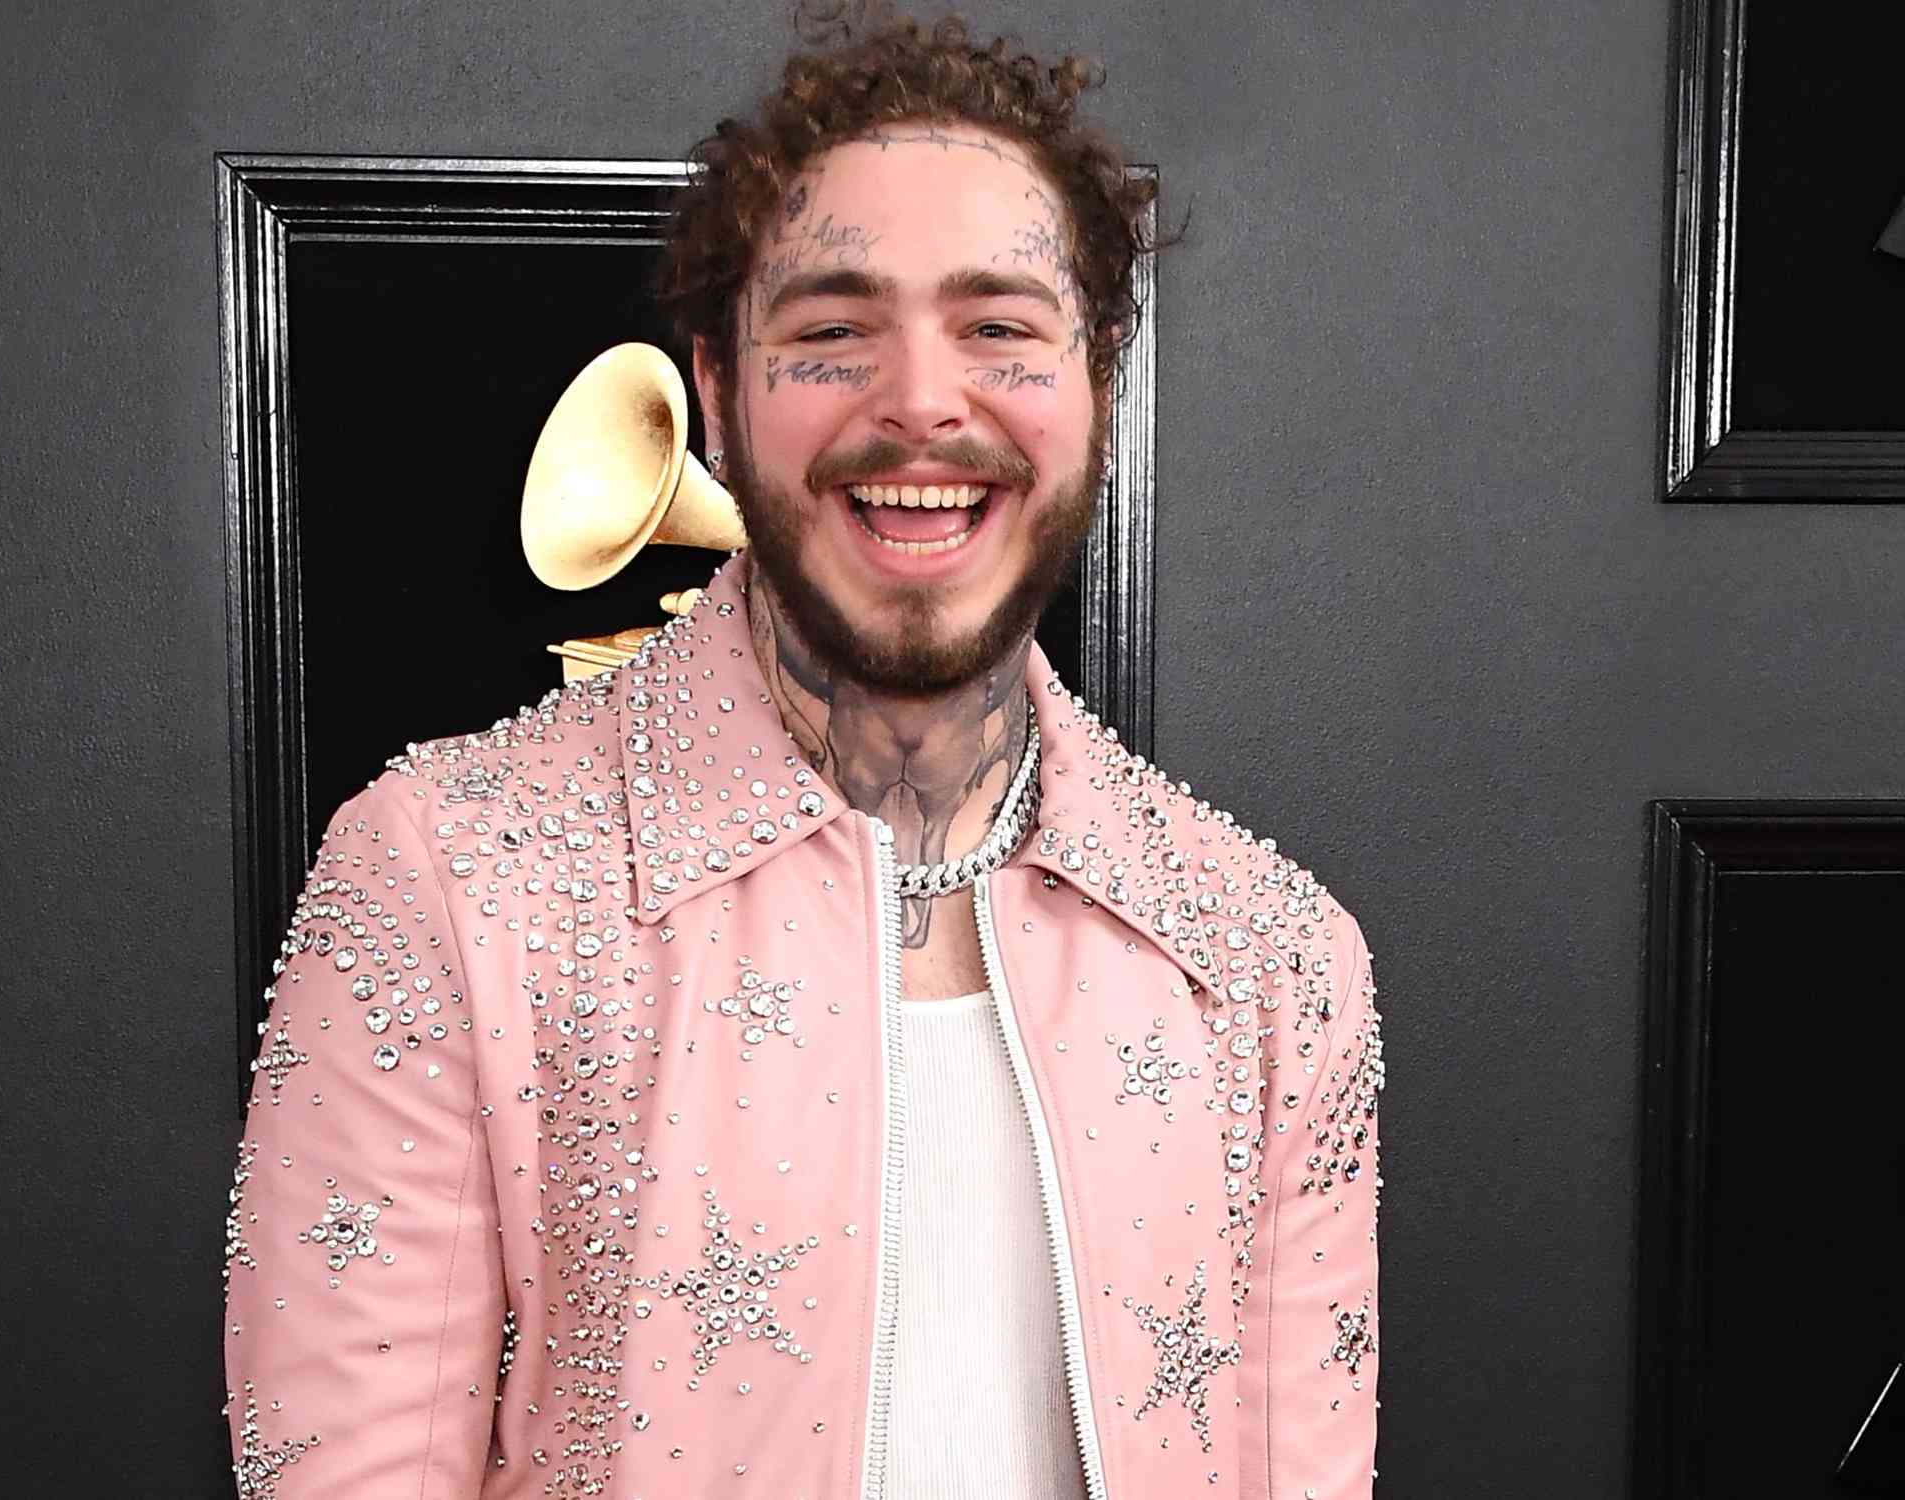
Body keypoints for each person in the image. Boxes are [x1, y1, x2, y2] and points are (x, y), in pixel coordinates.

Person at [222, 16, 1383, 1498]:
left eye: (1002, 329)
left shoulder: (1277, 962)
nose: (918, 401)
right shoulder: (442, 878)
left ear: (1097, 381)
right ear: (719, 390)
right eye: (832, 331)